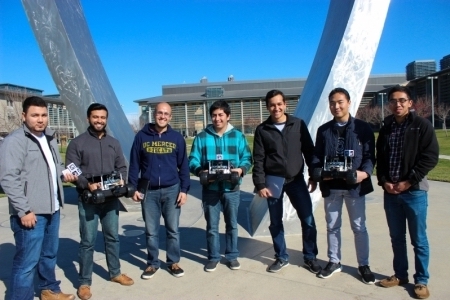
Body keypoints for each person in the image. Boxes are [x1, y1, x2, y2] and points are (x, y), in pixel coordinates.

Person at [0, 96, 77, 300]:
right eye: (35, 115)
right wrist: (23, 210)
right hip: (31, 213)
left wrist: (64, 173)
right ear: (24, 116)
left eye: (43, 115)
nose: (40, 119)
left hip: (52, 208)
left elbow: (55, 167)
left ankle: (48, 290)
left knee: (49, 255)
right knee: (26, 264)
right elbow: (8, 178)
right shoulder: (15, 141)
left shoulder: (50, 138)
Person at [66, 103, 134, 300]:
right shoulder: (77, 143)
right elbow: (72, 167)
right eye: (95, 117)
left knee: (112, 236)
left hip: (111, 199)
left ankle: (115, 273)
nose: (99, 120)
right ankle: (84, 282)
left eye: (102, 117)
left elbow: (121, 165)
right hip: (89, 199)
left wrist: (121, 178)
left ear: (106, 119)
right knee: (87, 241)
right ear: (88, 118)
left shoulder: (114, 142)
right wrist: (87, 184)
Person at [376, 86, 438, 299]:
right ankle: (400, 275)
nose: (397, 104)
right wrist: (384, 182)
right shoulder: (386, 128)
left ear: (410, 103)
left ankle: (421, 280)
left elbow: (430, 157)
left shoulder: (422, 126)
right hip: (391, 193)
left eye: (402, 100)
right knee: (396, 238)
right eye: (393, 101)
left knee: (418, 239)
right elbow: (381, 160)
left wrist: (409, 181)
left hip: (414, 193)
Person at [252, 89, 321, 274]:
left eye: (279, 104)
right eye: (272, 105)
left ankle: (310, 257)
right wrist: (260, 184)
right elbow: (258, 159)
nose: (276, 108)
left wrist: (314, 176)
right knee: (275, 222)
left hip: (296, 180)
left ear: (285, 104)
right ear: (268, 107)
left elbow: (309, 151)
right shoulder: (262, 130)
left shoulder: (297, 124)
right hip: (273, 182)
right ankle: (281, 257)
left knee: (307, 219)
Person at [311, 87, 375, 283]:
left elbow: (369, 156)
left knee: (359, 227)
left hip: (354, 187)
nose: (336, 106)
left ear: (348, 103)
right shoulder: (324, 130)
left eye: (340, 102)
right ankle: (334, 261)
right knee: (332, 226)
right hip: (332, 187)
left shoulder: (362, 128)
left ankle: (363, 265)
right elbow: (316, 157)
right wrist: (316, 173)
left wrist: (363, 173)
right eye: (332, 103)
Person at [128, 102, 190, 279]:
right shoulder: (141, 136)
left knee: (173, 230)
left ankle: (173, 262)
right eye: (159, 113)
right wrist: (133, 188)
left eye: (166, 114)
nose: (163, 116)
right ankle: (152, 263)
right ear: (154, 115)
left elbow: (183, 167)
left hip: (172, 190)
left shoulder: (177, 138)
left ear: (170, 117)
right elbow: (134, 164)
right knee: (151, 230)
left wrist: (184, 190)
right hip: (150, 191)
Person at [189, 100, 252, 272]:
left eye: (221, 115)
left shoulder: (238, 136)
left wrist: (240, 169)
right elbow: (192, 160)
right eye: (214, 115)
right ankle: (213, 257)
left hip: (231, 188)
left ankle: (232, 256)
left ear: (228, 116)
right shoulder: (202, 136)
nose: (217, 119)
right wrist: (200, 171)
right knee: (212, 226)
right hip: (211, 189)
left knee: (232, 224)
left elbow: (247, 157)